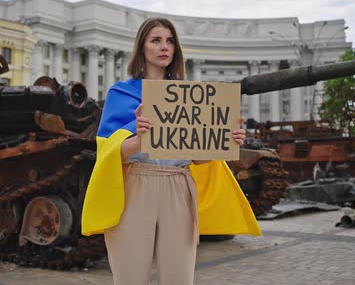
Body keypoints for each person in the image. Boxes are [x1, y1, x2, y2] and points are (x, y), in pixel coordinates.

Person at [82, 17, 261, 285]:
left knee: (179, 279)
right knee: (130, 278)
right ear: (141, 48)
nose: (164, 47)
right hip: (135, 186)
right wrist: (142, 137)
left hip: (179, 184)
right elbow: (109, 153)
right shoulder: (121, 93)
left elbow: (196, 157)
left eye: (170, 41)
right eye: (156, 40)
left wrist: (225, 142)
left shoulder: (189, 96)